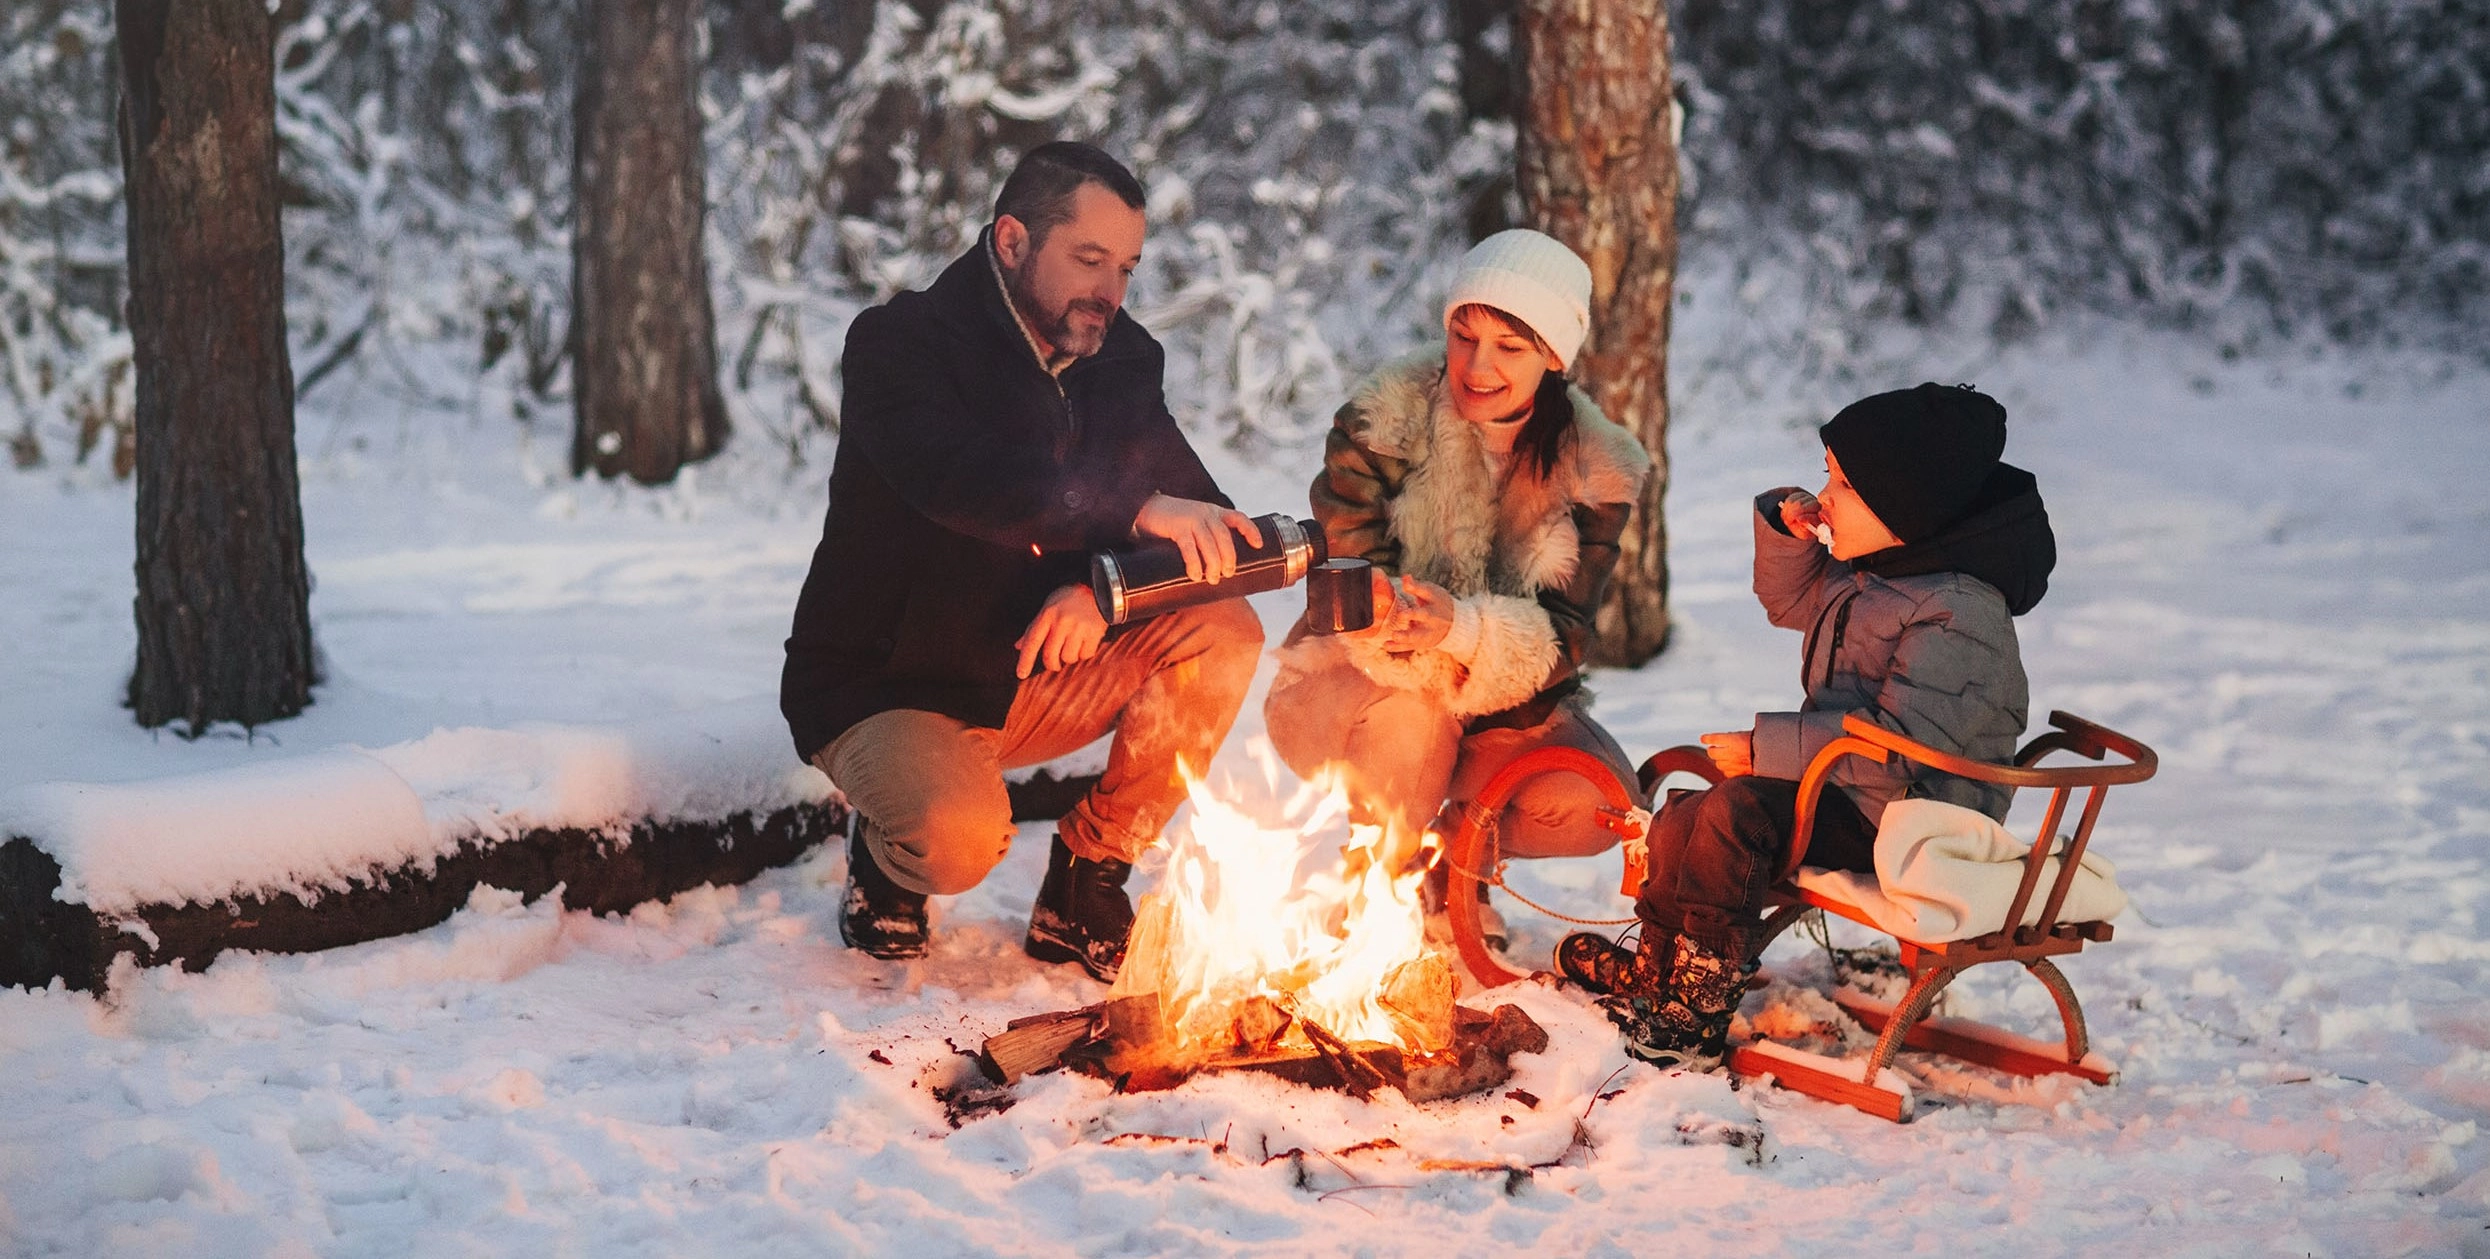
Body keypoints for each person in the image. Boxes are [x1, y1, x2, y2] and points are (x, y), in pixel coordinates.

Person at [781, 142, 1266, 981]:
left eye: (1127, 266)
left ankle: (1086, 874)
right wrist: (1130, 511)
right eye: (1088, 259)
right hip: (893, 685)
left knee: (1222, 627)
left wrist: (1102, 590)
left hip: (1033, 672)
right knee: (958, 840)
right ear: (1010, 241)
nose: (1110, 291)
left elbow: (1201, 524)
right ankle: (888, 851)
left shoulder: (1122, 359)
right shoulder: (902, 345)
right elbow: (970, 482)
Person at [1558, 382, 2056, 1069]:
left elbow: (1898, 742)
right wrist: (1786, 529)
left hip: (1918, 818)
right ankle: (1658, 968)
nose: (1825, 497)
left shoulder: (1960, 614)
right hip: (1858, 792)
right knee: (1684, 813)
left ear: (1903, 508)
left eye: (1844, 484)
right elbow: (1788, 598)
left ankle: (1697, 999)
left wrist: (1767, 751)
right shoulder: (1878, 573)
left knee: (1736, 815)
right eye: (1828, 474)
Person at [1262, 229, 1655, 932]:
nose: (1478, 366)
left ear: (1553, 356)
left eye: (1511, 347)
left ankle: (1454, 859)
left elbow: (1564, 634)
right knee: (1413, 718)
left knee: (1597, 802)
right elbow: (1343, 566)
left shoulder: (1595, 470)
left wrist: (1463, 627)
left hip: (1497, 709)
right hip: (1351, 682)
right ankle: (1375, 886)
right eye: (1464, 336)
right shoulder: (1383, 422)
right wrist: (1391, 613)